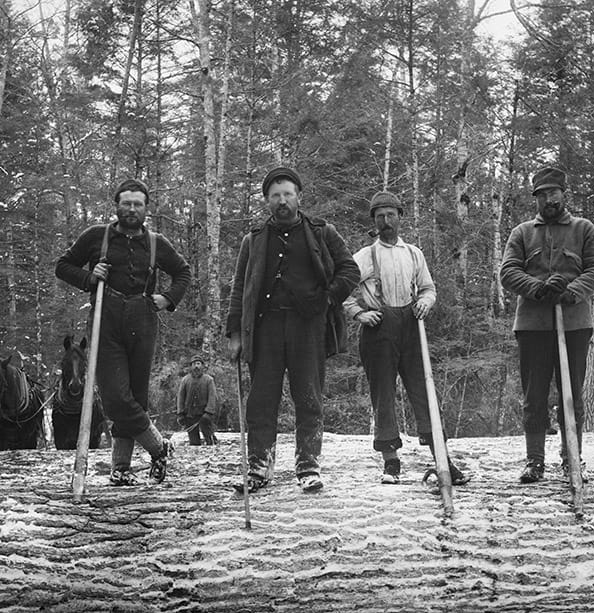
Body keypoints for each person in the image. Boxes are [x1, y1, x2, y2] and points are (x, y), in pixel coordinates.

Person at [226, 166, 360, 493]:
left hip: (308, 328)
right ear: (267, 201)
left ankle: (308, 466)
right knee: (261, 400)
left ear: (299, 196)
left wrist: (328, 299)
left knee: (309, 398)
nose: (282, 201)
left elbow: (350, 270)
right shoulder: (253, 239)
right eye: (275, 196)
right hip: (265, 329)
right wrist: (235, 333)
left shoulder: (322, 232)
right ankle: (258, 467)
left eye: (287, 194)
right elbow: (239, 287)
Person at [55, 178, 191, 485]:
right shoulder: (96, 237)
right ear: (116, 205)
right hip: (106, 317)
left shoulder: (157, 243)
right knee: (115, 395)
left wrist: (168, 298)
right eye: (126, 203)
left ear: (146, 208)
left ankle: (120, 467)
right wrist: (90, 277)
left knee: (136, 396)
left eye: (138, 204)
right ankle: (159, 448)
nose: (132, 209)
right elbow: (62, 266)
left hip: (143, 318)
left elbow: (183, 271)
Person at [344, 191, 468, 486]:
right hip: (378, 330)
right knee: (383, 395)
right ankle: (391, 463)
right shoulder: (365, 256)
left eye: (391, 215)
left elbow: (428, 288)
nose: (386, 222)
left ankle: (442, 460)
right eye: (380, 217)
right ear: (374, 221)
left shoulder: (413, 253)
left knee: (424, 393)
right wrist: (360, 314)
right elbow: (342, 289)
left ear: (400, 217)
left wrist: (426, 301)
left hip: (413, 329)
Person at [499, 165, 594, 482]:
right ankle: (534, 461)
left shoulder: (583, 229)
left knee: (571, 395)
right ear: (536, 198)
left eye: (554, 193)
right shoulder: (522, 233)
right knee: (534, 397)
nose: (549, 199)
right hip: (532, 326)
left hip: (574, 325)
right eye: (543, 194)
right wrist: (537, 288)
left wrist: (572, 291)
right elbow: (508, 272)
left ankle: (572, 457)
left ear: (564, 194)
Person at [177, 356, 219, 445]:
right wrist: (180, 413)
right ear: (191, 366)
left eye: (198, 364)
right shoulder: (185, 380)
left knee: (209, 439)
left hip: (204, 415)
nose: (196, 366)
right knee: (193, 442)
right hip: (190, 415)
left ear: (202, 366)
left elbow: (212, 397)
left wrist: (208, 412)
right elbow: (181, 398)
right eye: (194, 364)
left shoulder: (209, 380)